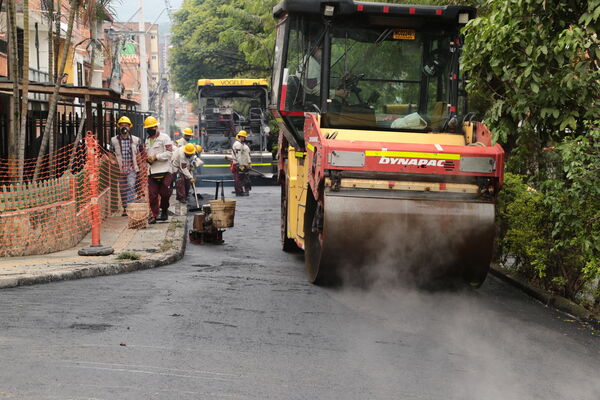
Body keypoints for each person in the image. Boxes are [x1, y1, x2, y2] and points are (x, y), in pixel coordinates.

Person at [144, 116, 174, 224]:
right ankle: (154, 215)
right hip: (152, 172)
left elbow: (170, 153)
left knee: (165, 193)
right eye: (147, 128)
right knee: (152, 195)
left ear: (156, 127)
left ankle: (164, 210)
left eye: (151, 127)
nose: (149, 129)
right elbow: (148, 154)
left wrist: (156, 157)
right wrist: (148, 159)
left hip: (165, 171)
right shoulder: (147, 140)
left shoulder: (165, 138)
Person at [111, 116, 141, 216]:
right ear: (118, 127)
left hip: (132, 168)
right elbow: (111, 153)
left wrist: (140, 166)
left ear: (130, 127)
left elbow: (139, 154)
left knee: (131, 186)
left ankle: (129, 207)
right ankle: (125, 207)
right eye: (122, 125)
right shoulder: (113, 140)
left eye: (126, 125)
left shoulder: (136, 140)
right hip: (120, 169)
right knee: (123, 189)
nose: (124, 127)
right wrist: (112, 160)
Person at [231, 130, 251, 196]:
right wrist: (240, 164)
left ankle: (244, 190)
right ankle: (239, 192)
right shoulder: (237, 145)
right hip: (238, 164)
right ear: (241, 137)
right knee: (238, 179)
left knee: (244, 178)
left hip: (243, 164)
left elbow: (246, 155)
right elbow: (238, 156)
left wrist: (249, 163)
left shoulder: (242, 145)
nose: (245, 138)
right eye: (244, 137)